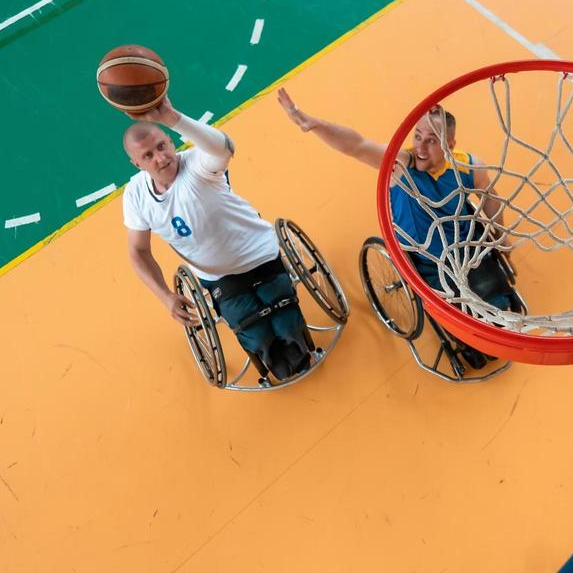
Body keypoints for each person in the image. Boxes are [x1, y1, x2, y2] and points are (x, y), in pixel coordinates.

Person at [276, 88, 520, 367]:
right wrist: (314, 124)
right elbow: (356, 145)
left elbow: (491, 200)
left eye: (431, 141)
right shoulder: (401, 165)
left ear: (450, 146)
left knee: (501, 313)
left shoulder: (469, 165)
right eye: (417, 136)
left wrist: (503, 241)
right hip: (427, 261)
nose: (420, 147)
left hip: (468, 251)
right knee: (476, 337)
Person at [122, 98, 311, 381]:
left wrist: (173, 117)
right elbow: (138, 251)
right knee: (261, 341)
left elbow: (225, 147)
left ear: (172, 142)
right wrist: (166, 297)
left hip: (260, 256)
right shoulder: (136, 195)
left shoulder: (198, 165)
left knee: (291, 335)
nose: (160, 158)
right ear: (136, 163)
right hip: (219, 277)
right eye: (148, 155)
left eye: (162, 146)